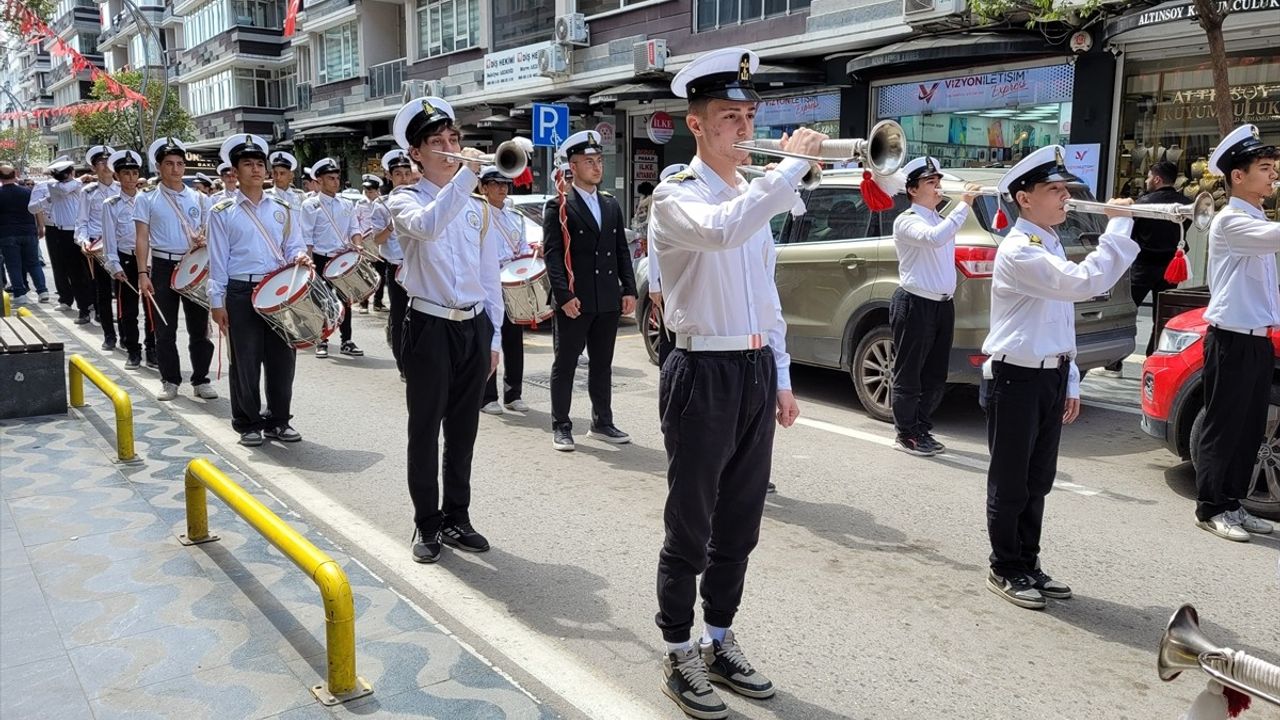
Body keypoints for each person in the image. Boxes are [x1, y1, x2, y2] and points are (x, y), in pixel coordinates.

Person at [648, 48, 812, 720]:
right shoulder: (674, 195)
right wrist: (793, 166)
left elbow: (765, 297)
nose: (743, 129)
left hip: (748, 370)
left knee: (740, 521)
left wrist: (780, 375)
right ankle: (679, 647)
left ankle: (720, 637)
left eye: (748, 115)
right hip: (700, 369)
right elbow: (720, 235)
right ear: (696, 125)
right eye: (727, 118)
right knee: (692, 522)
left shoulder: (753, 196)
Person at [981, 145, 1140, 610]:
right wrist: (1118, 224)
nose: (1064, 197)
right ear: (1024, 198)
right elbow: (1082, 283)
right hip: (1016, 378)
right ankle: (1005, 566)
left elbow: (1061, 318)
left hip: (1048, 377)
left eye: (1064, 189)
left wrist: (1069, 379)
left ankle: (1027, 561)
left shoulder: (1048, 241)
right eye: (1053, 190)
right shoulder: (1019, 250)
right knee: (1010, 483)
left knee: (1037, 480)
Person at [384, 96, 502, 564]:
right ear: (416, 153)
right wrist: (469, 175)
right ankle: (426, 523)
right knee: (424, 429)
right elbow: (430, 228)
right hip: (428, 325)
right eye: (437, 142)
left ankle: (458, 516)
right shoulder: (404, 199)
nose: (450, 149)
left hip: (471, 326)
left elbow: (489, 276)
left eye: (454, 139)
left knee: (464, 429)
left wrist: (492, 338)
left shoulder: (476, 208)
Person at [1192, 124, 1278, 543]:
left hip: (1257, 339)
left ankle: (1233, 503)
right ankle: (1210, 507)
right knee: (1224, 426)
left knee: (1249, 429)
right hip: (1231, 339)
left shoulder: (1257, 217)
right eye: (1265, 168)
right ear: (1238, 176)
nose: (1273, 175)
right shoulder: (1231, 221)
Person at [207, 133, 312, 447]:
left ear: (267, 170)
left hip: (278, 292)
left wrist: (300, 257)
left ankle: (279, 421)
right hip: (240, 292)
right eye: (247, 164)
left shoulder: (282, 207)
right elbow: (218, 259)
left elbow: (294, 245)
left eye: (259, 164)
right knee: (246, 361)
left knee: (283, 358)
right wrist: (217, 301)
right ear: (234, 172)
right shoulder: (222, 211)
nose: (255, 169)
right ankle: (248, 422)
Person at [542, 130, 637, 451]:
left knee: (602, 364)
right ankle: (562, 425)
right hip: (576, 299)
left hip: (607, 297)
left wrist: (629, 289)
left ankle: (602, 421)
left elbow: (620, 249)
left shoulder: (610, 204)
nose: (597, 167)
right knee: (565, 364)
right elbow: (553, 255)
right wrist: (564, 296)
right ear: (573, 165)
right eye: (589, 162)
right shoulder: (560, 206)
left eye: (599, 161)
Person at [889, 156, 978, 456]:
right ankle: (906, 433)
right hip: (915, 303)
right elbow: (934, 240)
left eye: (938, 181)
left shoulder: (940, 218)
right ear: (913, 190)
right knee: (909, 372)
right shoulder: (907, 221)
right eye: (930, 182)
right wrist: (964, 204)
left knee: (935, 373)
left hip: (942, 305)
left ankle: (922, 427)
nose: (938, 187)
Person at [135, 137, 218, 402]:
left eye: (180, 163)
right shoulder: (146, 198)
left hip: (194, 265)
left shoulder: (200, 198)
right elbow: (141, 238)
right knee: (164, 328)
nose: (175, 168)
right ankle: (170, 379)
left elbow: (210, 231)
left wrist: (205, 239)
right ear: (158, 167)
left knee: (200, 327)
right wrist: (142, 274)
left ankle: (201, 379)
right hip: (162, 265)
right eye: (169, 163)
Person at [478, 166, 531, 415]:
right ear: (483, 187)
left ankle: (513, 393)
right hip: (487, 285)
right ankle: (488, 396)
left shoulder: (516, 217)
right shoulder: (478, 215)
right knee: (490, 339)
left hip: (510, 284)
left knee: (513, 340)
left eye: (505, 184)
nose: (501, 188)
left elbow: (521, 248)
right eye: (495, 184)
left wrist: (531, 253)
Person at [1127, 160, 1192, 359]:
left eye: (1148, 176)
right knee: (1162, 313)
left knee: (1128, 311)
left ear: (1157, 178)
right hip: (1171, 264)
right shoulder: (1187, 204)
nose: (1146, 180)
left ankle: (1116, 360)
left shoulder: (1144, 203)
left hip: (1144, 264)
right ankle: (1153, 354)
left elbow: (1131, 232)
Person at [301, 158, 364, 358]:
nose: (336, 182)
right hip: (320, 258)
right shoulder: (310, 205)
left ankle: (347, 340)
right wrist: (309, 264)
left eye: (337, 178)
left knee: (346, 300)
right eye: (331, 178)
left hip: (342, 258)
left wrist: (358, 245)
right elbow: (307, 237)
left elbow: (354, 228)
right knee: (323, 300)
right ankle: (322, 340)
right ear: (319, 180)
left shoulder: (346, 203)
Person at [101, 150, 155, 370]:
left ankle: (152, 349)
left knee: (152, 309)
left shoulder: (150, 199)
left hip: (150, 260)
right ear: (117, 176)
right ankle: (134, 350)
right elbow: (109, 238)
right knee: (128, 310)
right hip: (126, 260)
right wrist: (113, 265)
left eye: (134, 173)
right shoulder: (111, 204)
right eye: (126, 173)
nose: (131, 178)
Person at [37, 156, 94, 322]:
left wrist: (80, 180)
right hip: (63, 234)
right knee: (73, 273)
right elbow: (63, 189)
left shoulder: (78, 186)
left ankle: (93, 305)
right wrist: (79, 179)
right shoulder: (53, 186)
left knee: (89, 272)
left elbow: (73, 187)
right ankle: (83, 309)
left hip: (80, 233)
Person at [370, 150, 412, 374]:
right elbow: (377, 239)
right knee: (398, 315)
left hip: (418, 266)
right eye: (399, 174)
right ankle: (402, 364)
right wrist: (391, 225)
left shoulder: (418, 199)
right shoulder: (382, 205)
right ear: (389, 176)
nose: (404, 178)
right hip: (396, 266)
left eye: (407, 173)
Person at [75, 145, 120, 351]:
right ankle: (109, 334)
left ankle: (128, 334)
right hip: (98, 246)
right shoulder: (88, 192)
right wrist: (83, 241)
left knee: (123, 293)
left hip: (121, 246)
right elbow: (81, 221)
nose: (105, 166)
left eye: (108, 162)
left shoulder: (123, 189)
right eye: (100, 163)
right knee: (102, 292)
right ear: (94, 168)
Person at [647, 163, 687, 371]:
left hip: (688, 279)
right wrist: (654, 283)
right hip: (667, 281)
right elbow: (653, 248)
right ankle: (668, 373)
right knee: (669, 334)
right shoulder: (661, 205)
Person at [0, 164, 48, 305]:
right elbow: (37, 209)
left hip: (7, 234)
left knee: (13, 265)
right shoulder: (27, 192)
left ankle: (20, 294)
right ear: (15, 174)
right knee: (33, 263)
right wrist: (41, 226)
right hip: (28, 231)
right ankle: (42, 290)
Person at [356, 173, 385, 314]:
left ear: (377, 191)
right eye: (366, 191)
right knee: (366, 274)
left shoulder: (382, 203)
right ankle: (364, 303)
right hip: (365, 242)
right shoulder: (360, 204)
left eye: (371, 191)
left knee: (381, 273)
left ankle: (378, 302)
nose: (368, 194)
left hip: (379, 241)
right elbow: (356, 222)